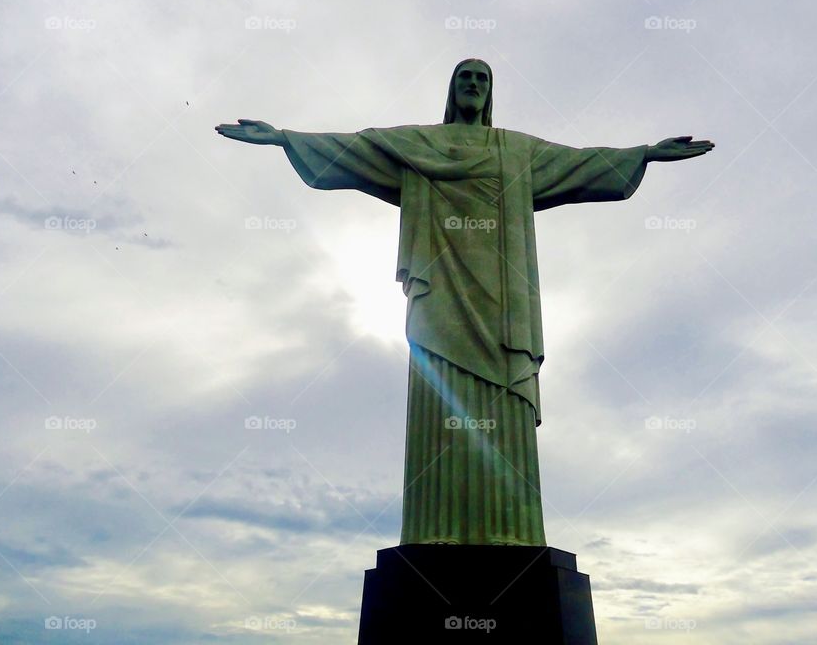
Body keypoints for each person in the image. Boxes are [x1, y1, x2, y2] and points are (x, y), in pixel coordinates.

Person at [216, 58, 714, 545]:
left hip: (503, 303)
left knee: (502, 406)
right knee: (440, 397)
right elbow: (356, 149)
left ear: (490, 92)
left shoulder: (516, 151)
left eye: (482, 78)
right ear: (452, 88)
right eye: (465, 77)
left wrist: (645, 153)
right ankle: (435, 531)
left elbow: (581, 162)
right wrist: (284, 137)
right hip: (440, 298)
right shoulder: (418, 144)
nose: (473, 84)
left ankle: (513, 534)